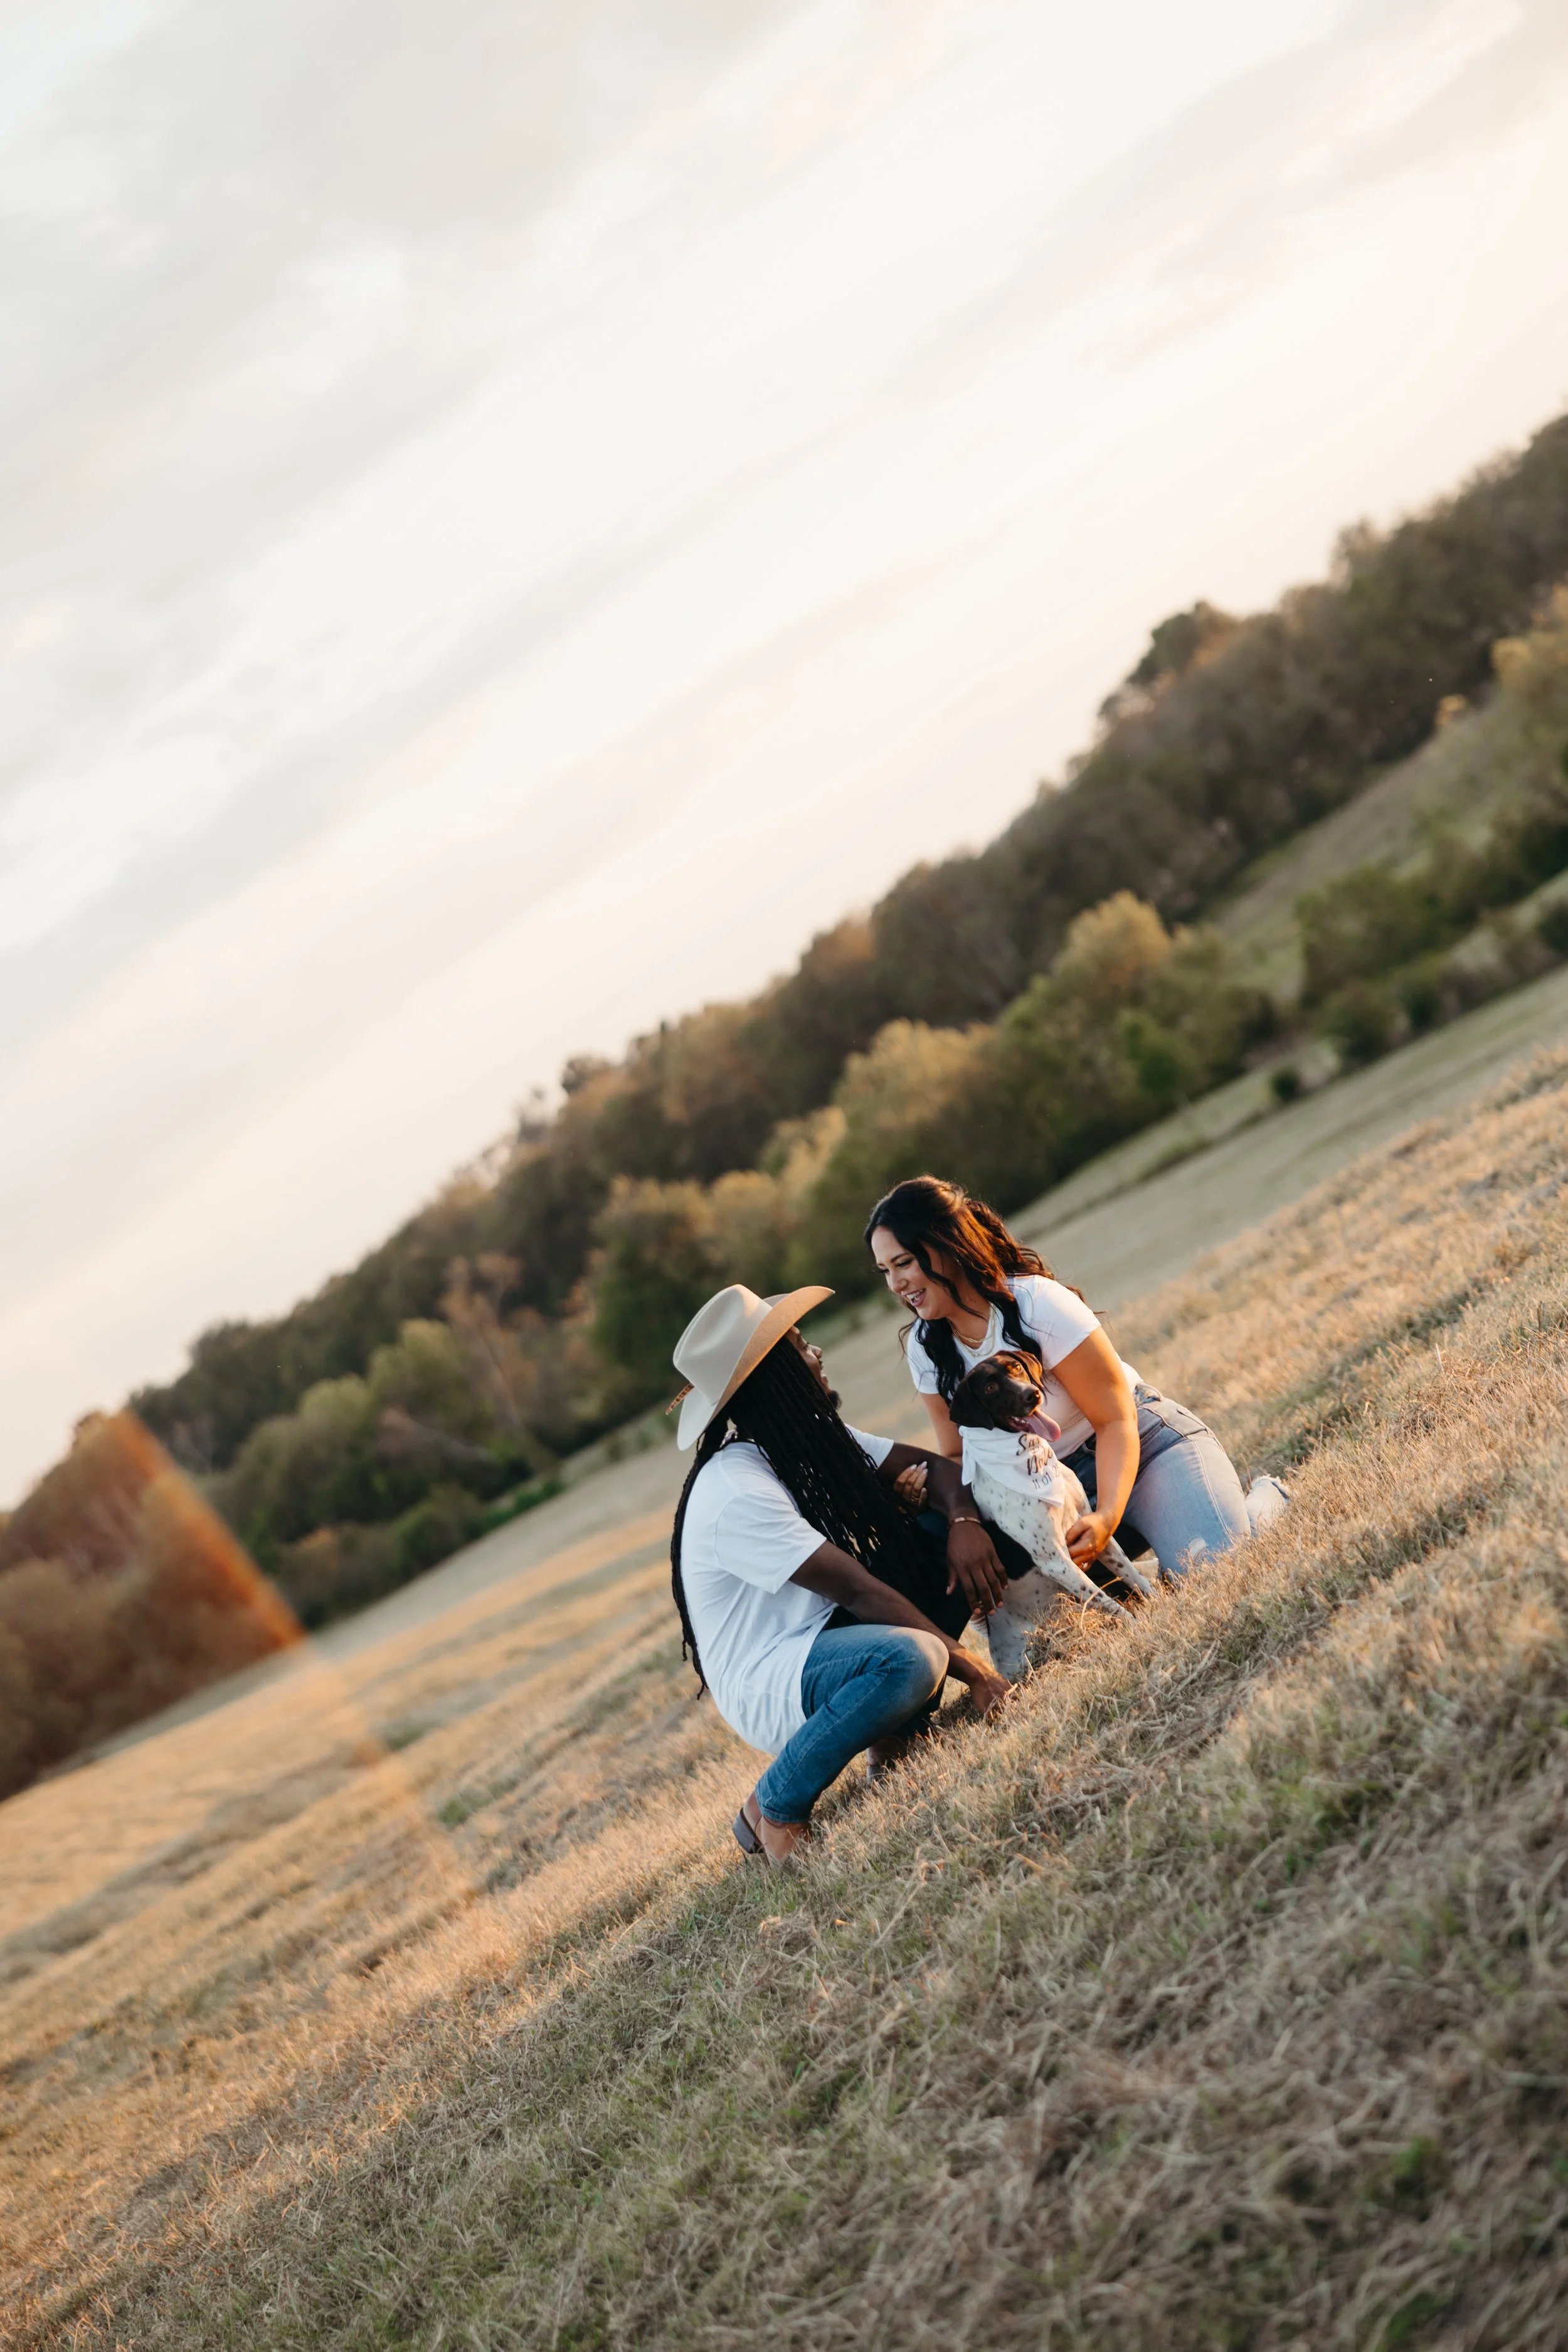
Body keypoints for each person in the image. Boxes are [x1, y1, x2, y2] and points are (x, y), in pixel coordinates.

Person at [669, 1281, 1012, 1866]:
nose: (818, 1353)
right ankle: (773, 1806)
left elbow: (934, 1469)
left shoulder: (804, 1441)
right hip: (774, 1671)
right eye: (802, 1346)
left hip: (829, 1632)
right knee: (911, 1659)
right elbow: (858, 1588)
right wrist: (976, 1672)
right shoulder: (735, 1489)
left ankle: (895, 1736)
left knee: (957, 1532)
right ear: (775, 1375)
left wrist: (959, 1520)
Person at [865, 1175, 1270, 1583]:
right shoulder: (925, 1347)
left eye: (904, 1263)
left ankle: (1266, 1504)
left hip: (1140, 1450)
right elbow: (956, 1453)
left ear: (948, 1246)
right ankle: (1152, 1566)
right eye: (885, 1270)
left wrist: (1107, 1517)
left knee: (1216, 1570)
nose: (895, 1285)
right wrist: (943, 1500)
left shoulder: (1036, 1303)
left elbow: (1115, 1419)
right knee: (1065, 1614)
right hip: (1053, 1488)